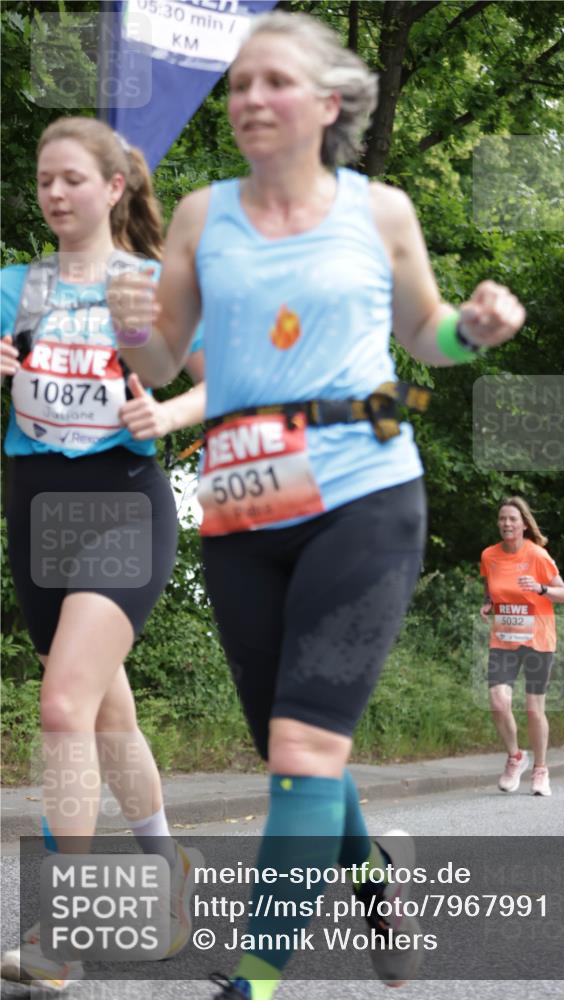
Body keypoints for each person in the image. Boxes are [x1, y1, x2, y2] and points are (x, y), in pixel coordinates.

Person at [108, 11, 526, 999]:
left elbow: (427, 338)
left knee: (302, 747)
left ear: (328, 104)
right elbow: (167, 359)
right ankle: (374, 881)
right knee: (291, 749)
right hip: (244, 500)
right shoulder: (203, 216)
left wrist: (473, 330)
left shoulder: (379, 211)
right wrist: (137, 340)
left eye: (273, 82)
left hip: (362, 490)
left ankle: (252, 978)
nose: (249, 98)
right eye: (239, 82)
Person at [0, 116, 207, 994]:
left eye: (72, 179)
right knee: (107, 714)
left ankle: (65, 930)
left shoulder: (150, 284)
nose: (53, 193)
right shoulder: (17, 285)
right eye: (44, 179)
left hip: (123, 500)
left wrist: (165, 414)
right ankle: (168, 872)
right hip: (36, 506)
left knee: (62, 705)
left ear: (115, 187)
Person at [480, 497, 564, 797]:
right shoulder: (489, 556)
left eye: (513, 519)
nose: (507, 523)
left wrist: (542, 588)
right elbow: (491, 586)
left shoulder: (537, 555)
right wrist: (488, 603)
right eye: (503, 518)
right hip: (504, 639)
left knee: (534, 710)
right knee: (498, 701)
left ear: (523, 524)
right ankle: (515, 757)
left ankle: (541, 770)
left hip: (537, 639)